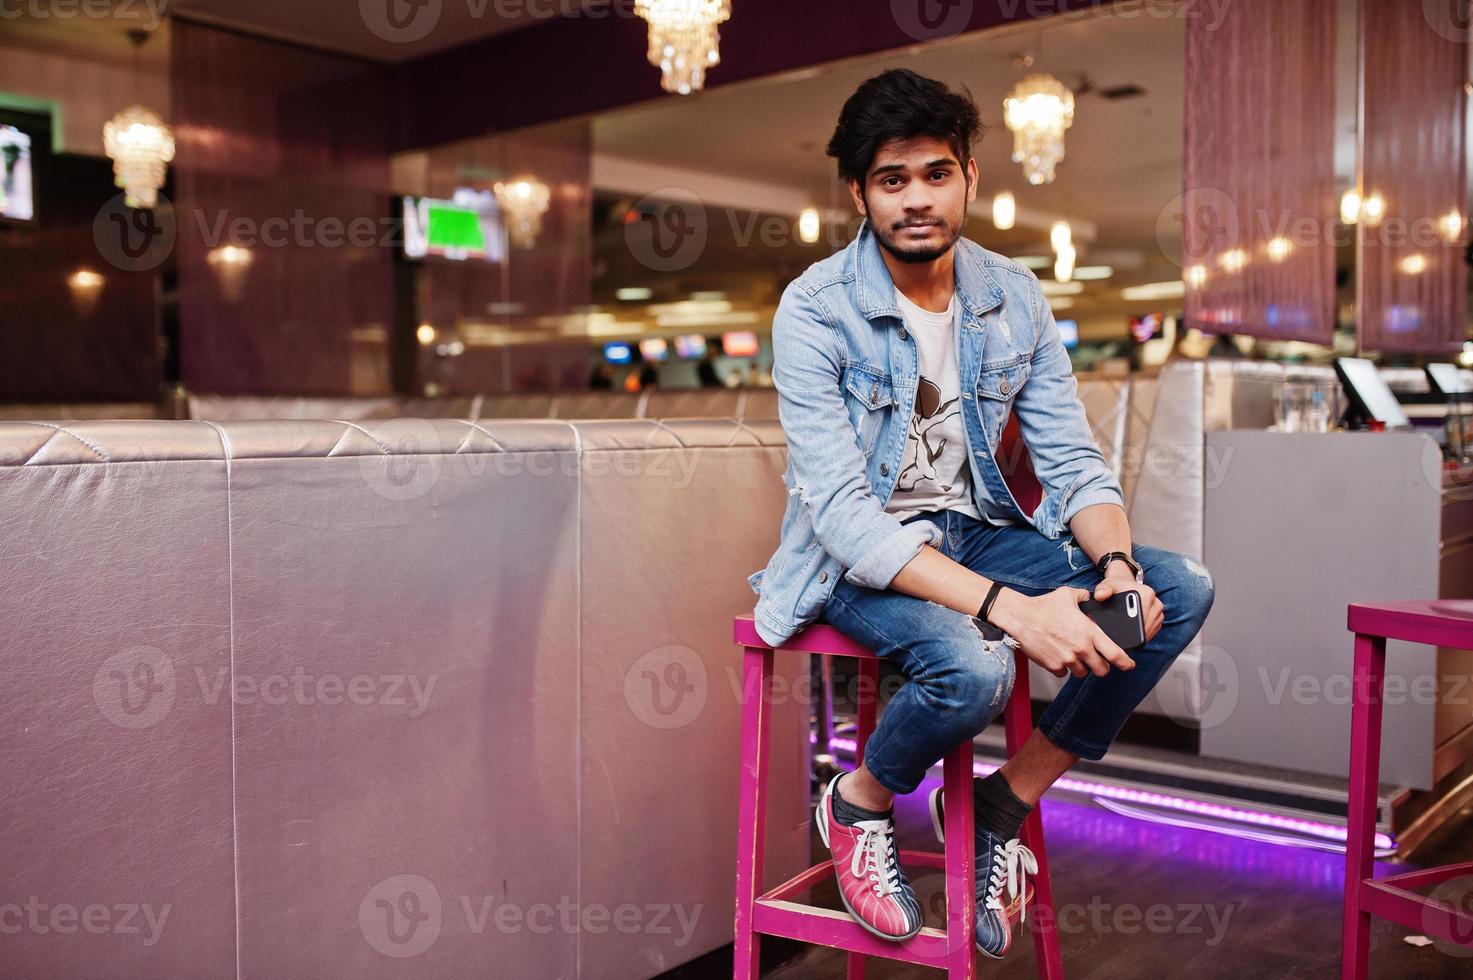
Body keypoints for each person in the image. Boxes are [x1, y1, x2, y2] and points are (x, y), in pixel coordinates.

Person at [744, 69, 1214, 958]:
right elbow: (844, 515)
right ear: (858, 191)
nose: (915, 199)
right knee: (972, 669)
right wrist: (1007, 612)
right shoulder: (813, 309)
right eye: (891, 180)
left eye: (934, 173)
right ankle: (858, 803)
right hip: (861, 556)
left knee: (1176, 588)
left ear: (969, 176)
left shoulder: (1014, 295)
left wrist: (1115, 568)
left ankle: (1007, 801)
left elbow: (1072, 461)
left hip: (981, 535)